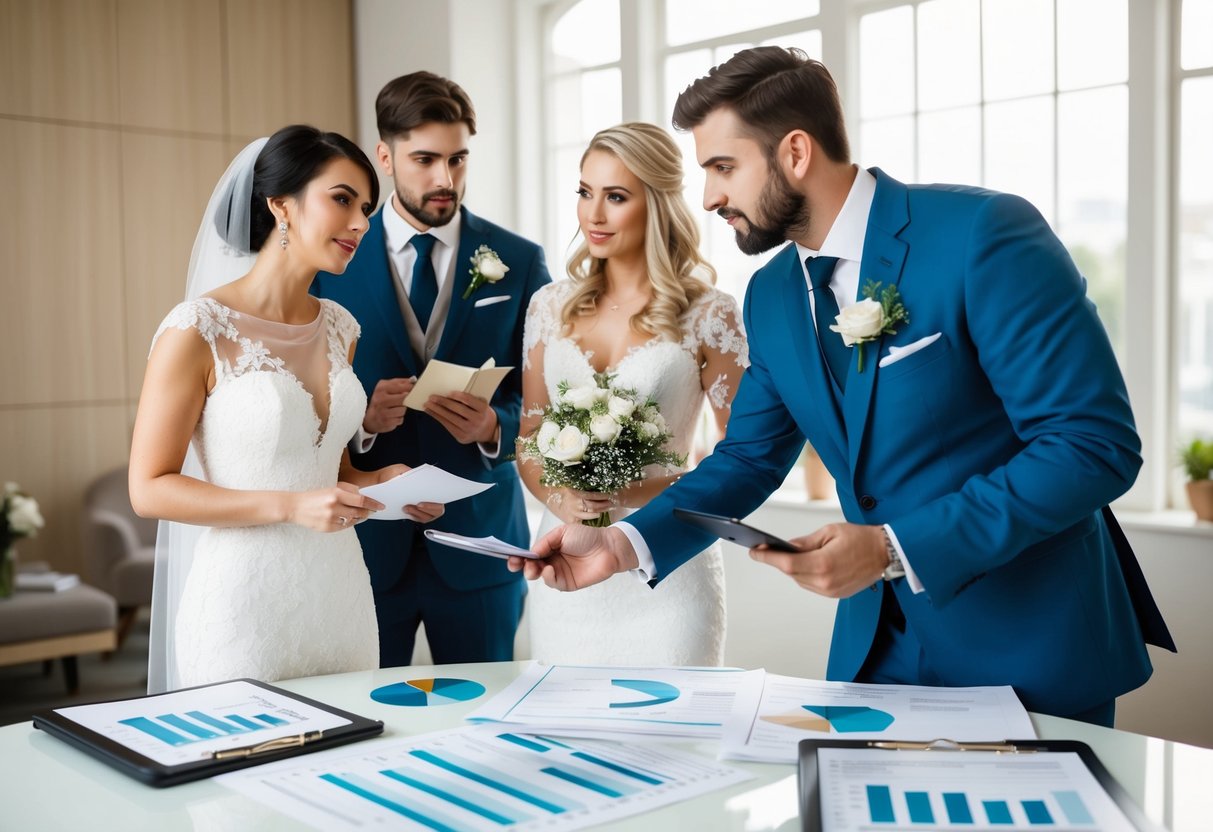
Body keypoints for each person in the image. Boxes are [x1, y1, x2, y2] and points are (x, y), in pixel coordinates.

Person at [513, 47, 1174, 724]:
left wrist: (894, 547)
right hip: (874, 658)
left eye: (722, 167)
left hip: (1028, 643)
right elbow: (747, 457)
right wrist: (622, 546)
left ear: (794, 152)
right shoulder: (770, 294)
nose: (709, 196)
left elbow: (1090, 445)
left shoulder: (982, 234)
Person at [130, 125, 445, 692]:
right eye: (342, 199)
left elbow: (329, 470)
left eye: (367, 207)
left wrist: (383, 484)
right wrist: (292, 506)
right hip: (244, 603)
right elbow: (149, 487)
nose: (361, 223)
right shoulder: (196, 329)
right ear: (281, 205)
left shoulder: (340, 328)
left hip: (340, 592)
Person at [312, 72, 552, 667]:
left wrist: (495, 428)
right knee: (367, 721)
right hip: (363, 543)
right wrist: (363, 422)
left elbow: (551, 399)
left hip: (480, 544)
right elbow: (300, 399)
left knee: (486, 724)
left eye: (458, 159)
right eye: (425, 159)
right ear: (386, 157)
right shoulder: (329, 261)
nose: (445, 179)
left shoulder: (519, 262)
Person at [518, 122, 748, 665]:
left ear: (658, 204)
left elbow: (741, 454)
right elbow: (528, 435)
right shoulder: (549, 306)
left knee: (675, 733)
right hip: (567, 563)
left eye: (616, 197)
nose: (593, 214)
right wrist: (563, 500)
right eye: (585, 192)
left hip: (666, 572)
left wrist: (639, 492)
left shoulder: (710, 315)